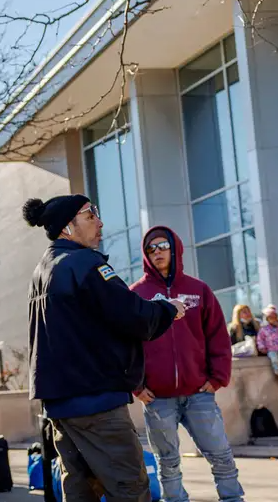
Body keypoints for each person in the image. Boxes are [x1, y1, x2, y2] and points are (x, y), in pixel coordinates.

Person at [22, 194, 185, 502]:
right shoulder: (83, 263)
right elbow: (132, 315)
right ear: (67, 227)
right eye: (89, 215)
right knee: (129, 487)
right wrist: (168, 310)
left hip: (61, 405)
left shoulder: (42, 271)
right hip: (95, 401)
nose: (99, 222)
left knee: (82, 488)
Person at [130, 226, 244, 502]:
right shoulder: (136, 293)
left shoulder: (198, 290)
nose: (157, 252)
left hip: (199, 394)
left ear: (174, 248)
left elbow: (218, 337)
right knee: (167, 464)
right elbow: (126, 345)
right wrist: (137, 387)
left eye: (162, 246)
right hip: (157, 398)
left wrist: (217, 378)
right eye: (150, 249)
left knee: (221, 456)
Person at [258, 305, 278, 376]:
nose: (273, 319)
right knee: (274, 359)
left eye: (274, 317)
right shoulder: (264, 329)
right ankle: (277, 371)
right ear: (267, 319)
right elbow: (260, 339)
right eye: (270, 317)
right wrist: (262, 347)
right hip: (271, 349)